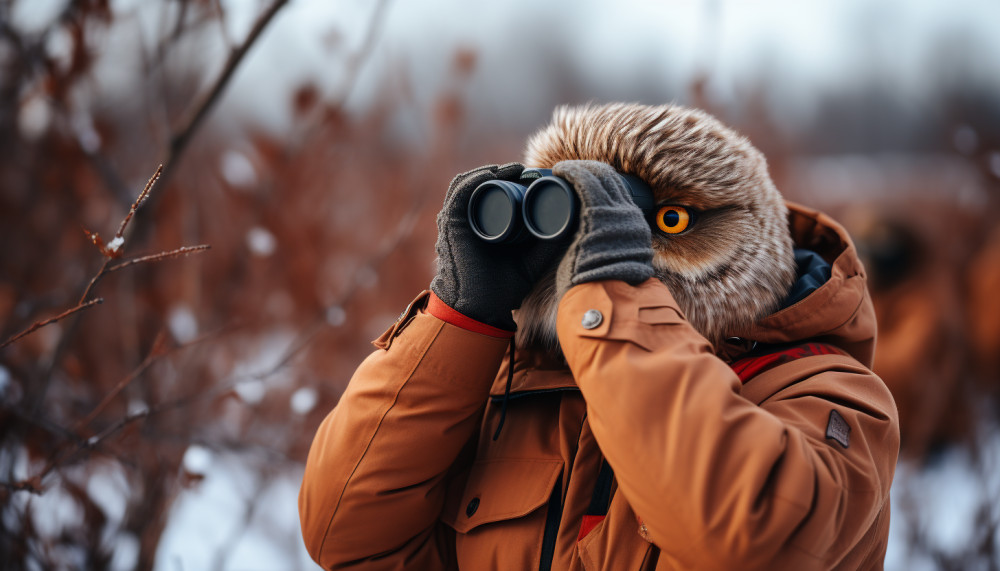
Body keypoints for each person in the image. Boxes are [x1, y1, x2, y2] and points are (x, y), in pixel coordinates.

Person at [298, 103, 899, 570]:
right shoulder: (509, 383)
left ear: (747, 234)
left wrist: (612, 294)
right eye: (579, 218)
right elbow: (346, 540)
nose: (596, 243)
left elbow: (747, 538)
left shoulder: (830, 392)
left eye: (671, 219)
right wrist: (459, 320)